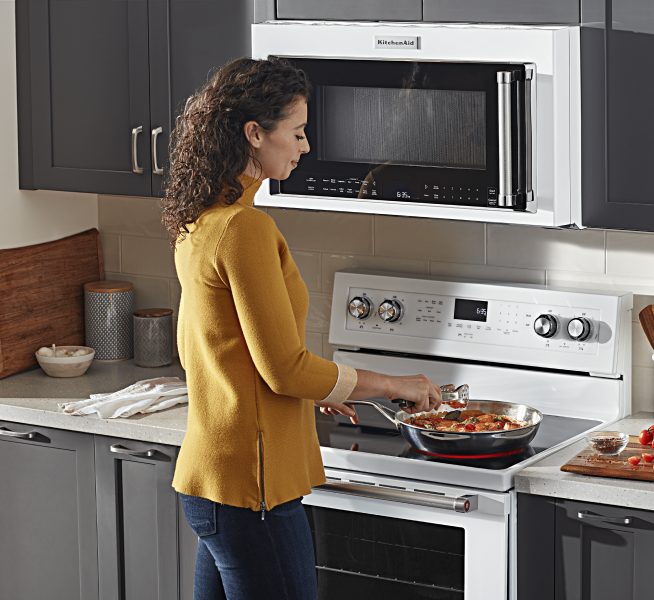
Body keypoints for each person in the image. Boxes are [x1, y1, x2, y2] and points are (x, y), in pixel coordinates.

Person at [160, 57, 443, 600]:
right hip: (253, 488)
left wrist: (320, 390)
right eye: (296, 132)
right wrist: (392, 384)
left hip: (217, 478)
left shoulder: (202, 218)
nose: (305, 146)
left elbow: (227, 351)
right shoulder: (244, 228)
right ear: (254, 133)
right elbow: (284, 369)